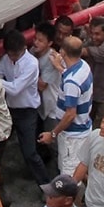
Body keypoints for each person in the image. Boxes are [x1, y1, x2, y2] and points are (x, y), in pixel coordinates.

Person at [0, 29, 49, 186]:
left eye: (15, 55)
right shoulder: (6, 59)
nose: (12, 58)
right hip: (9, 110)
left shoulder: (31, 64)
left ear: (24, 48)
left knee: (30, 152)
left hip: (27, 113)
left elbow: (15, 88)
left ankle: (45, 185)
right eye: (10, 55)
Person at [38, 36, 94, 177]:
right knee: (80, 169)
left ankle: (72, 199)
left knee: (69, 176)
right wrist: (59, 67)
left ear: (62, 52)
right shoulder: (84, 67)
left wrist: (53, 134)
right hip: (83, 129)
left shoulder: (71, 82)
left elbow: (70, 114)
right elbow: (71, 78)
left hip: (72, 137)